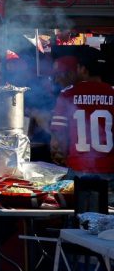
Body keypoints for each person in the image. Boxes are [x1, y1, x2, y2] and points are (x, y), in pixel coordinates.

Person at [51, 51, 114, 189]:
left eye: (78, 67)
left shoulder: (67, 93)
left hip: (78, 170)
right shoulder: (112, 92)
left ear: (83, 69)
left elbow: (58, 140)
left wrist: (65, 157)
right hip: (110, 172)